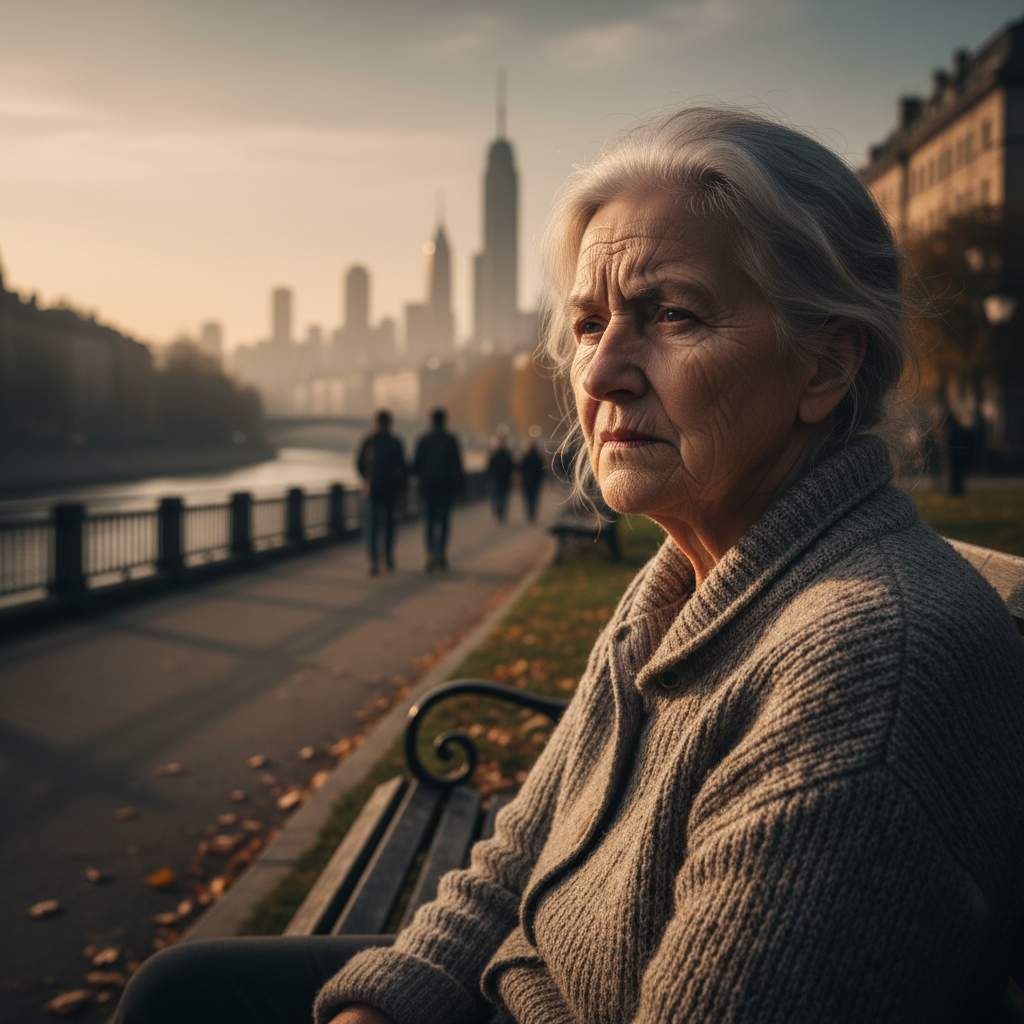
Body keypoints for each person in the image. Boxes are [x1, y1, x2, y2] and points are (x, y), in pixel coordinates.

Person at [114, 107, 1024, 1024]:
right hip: (525, 989)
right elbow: (519, 858)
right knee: (182, 990)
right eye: (590, 325)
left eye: (671, 315)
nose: (599, 376)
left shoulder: (866, 669)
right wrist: (383, 1010)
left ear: (825, 366)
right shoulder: (685, 582)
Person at [411, 408, 464, 571]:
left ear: (431, 421)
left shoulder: (423, 440)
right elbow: (457, 466)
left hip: (427, 489)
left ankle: (429, 553)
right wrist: (460, 489)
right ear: (444, 421)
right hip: (445, 489)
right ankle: (441, 553)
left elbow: (415, 466)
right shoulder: (451, 440)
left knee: (428, 523)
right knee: (443, 523)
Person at [356, 410, 406, 576]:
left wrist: (366, 480)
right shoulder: (395, 442)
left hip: (373, 490)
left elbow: (358, 463)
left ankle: (374, 561)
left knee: (372, 527)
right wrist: (400, 488)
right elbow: (402, 468)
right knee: (388, 526)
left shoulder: (369, 441)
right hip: (389, 490)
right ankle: (386, 557)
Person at [486, 435, 515, 523]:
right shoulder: (507, 455)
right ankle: (500, 514)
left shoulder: (494, 455)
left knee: (497, 498)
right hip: (504, 481)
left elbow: (489, 468)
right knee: (503, 499)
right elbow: (512, 467)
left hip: (497, 480)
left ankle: (499, 513)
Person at [518, 442, 545, 522]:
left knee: (527, 498)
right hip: (536, 481)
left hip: (527, 481)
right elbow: (542, 470)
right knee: (534, 498)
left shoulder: (525, 457)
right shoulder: (538, 457)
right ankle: (532, 514)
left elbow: (521, 468)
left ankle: (529, 513)